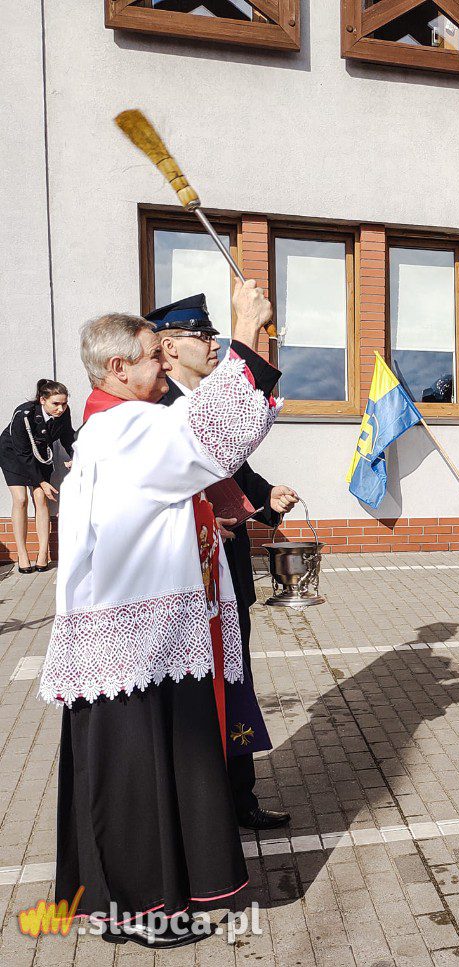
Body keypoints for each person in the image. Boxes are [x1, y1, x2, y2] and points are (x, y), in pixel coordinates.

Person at [39, 279, 279, 949]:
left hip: (139, 635)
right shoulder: (125, 428)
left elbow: (194, 457)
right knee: (134, 787)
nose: (164, 362)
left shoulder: (114, 424)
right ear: (118, 367)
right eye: (154, 355)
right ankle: (140, 910)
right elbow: (213, 435)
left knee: (144, 778)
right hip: (133, 639)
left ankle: (142, 901)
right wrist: (245, 328)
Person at [152, 293, 296, 831]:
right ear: (169, 347)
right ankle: (205, 807)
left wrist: (264, 499)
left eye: (215, 334)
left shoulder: (204, 397)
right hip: (189, 578)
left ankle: (239, 797)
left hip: (227, 571)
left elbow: (235, 465)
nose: (213, 344)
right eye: (203, 335)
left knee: (236, 683)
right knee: (199, 693)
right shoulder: (161, 407)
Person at [0, 380, 74, 572]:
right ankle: (22, 554)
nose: (60, 408)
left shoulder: (63, 412)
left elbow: (67, 436)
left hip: (40, 454)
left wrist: (75, 457)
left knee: (40, 498)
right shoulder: (24, 414)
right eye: (55, 404)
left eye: (64, 403)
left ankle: (42, 554)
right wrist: (41, 481)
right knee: (20, 499)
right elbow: (22, 452)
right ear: (42, 400)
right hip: (14, 454)